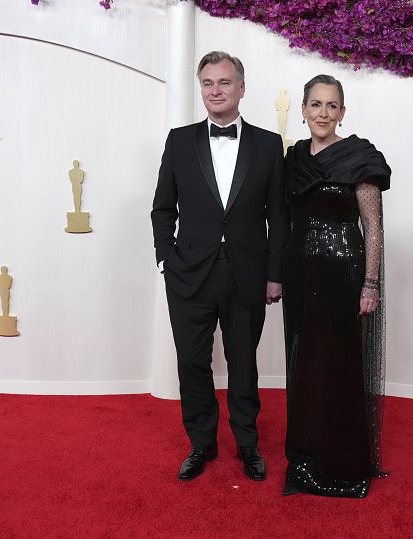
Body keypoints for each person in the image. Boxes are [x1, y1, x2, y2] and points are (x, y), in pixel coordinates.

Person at [151, 51, 289, 482]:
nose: (215, 90)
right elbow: (162, 208)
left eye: (224, 82)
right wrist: (166, 259)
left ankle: (247, 444)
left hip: (247, 273)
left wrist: (274, 273)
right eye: (208, 83)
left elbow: (279, 215)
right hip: (188, 274)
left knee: (243, 364)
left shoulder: (268, 145)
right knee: (192, 362)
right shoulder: (179, 140)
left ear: (241, 88)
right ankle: (201, 443)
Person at [282, 74, 391, 498]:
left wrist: (370, 283)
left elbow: (374, 227)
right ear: (304, 109)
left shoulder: (360, 157)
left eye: (331, 106)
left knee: (340, 367)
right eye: (315, 105)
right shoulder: (293, 159)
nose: (322, 113)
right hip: (300, 277)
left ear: (342, 112)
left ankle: (341, 464)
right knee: (306, 365)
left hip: (345, 276)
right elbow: (287, 219)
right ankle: (306, 456)